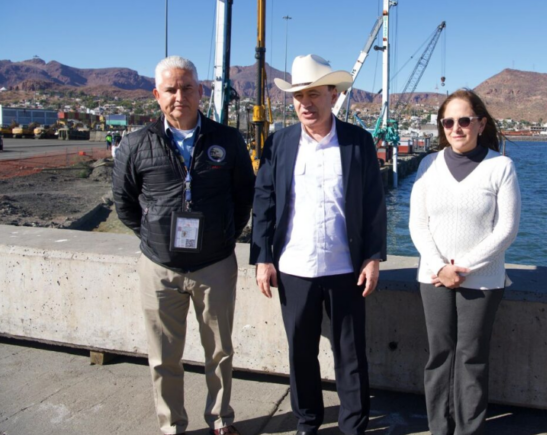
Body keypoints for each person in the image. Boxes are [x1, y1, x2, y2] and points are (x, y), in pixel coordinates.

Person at [112, 56, 254, 435]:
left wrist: (224, 235)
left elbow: (244, 196)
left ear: (200, 91)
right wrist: (154, 238)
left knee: (220, 352)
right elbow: (124, 203)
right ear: (157, 95)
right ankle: (172, 424)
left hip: (215, 266)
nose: (180, 96)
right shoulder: (136, 143)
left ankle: (221, 420)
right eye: (171, 90)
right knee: (163, 357)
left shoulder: (227, 139)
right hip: (159, 268)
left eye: (187, 88)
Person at [250, 54, 387, 435]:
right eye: (298, 96)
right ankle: (307, 422)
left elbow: (374, 206)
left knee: (351, 355)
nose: (305, 103)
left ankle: (353, 426)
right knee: (301, 354)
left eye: (313, 94)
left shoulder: (358, 142)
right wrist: (263, 258)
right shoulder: (279, 143)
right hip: (294, 269)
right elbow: (265, 203)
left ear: (332, 95)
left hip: (346, 269)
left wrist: (373, 258)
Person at [409, 89, 521, 435]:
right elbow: (417, 223)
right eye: (448, 122)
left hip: (482, 280)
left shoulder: (500, 166)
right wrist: (440, 266)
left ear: (480, 123)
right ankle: (439, 428)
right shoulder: (428, 165)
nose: (456, 128)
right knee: (439, 356)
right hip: (434, 277)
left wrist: (463, 266)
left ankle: (468, 430)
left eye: (464, 120)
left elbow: (507, 229)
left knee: (472, 358)